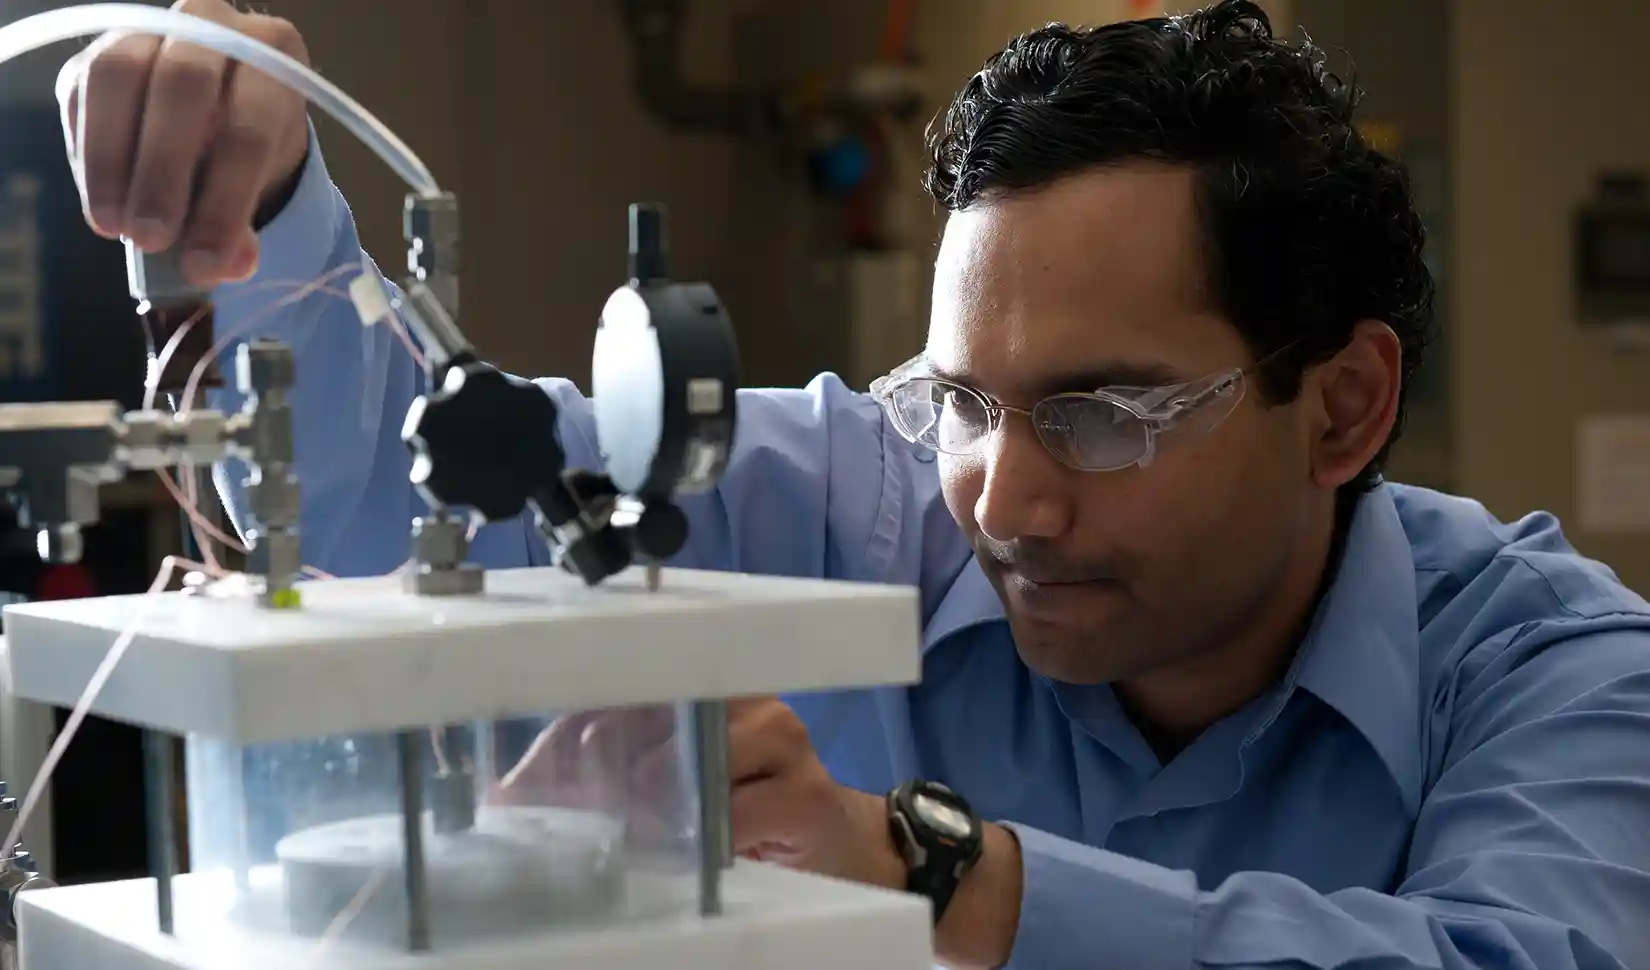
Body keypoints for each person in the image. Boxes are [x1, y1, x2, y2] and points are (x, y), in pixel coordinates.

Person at [59, 0, 1650, 968]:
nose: (1005, 504)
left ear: (1344, 404)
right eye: (963, 401)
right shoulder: (846, 495)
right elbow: (392, 514)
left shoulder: (1555, 671)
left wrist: (942, 867)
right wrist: (254, 202)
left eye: (1098, 414)